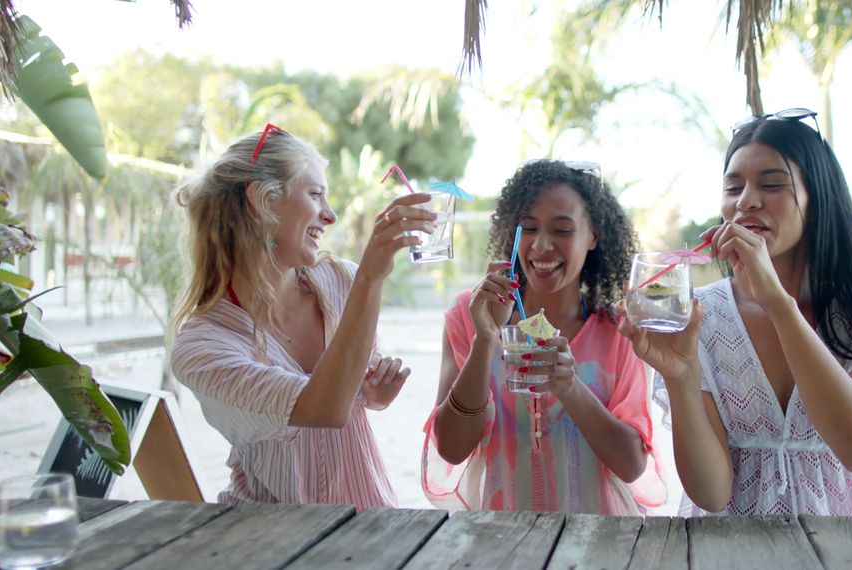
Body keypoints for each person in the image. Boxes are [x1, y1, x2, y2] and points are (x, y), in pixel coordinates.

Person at [618, 109, 852, 516]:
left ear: (817, 201)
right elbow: (712, 494)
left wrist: (777, 303)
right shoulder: (702, 315)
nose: (746, 201)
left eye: (772, 184)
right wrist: (680, 376)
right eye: (733, 188)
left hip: (843, 549)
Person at [168, 124, 435, 508]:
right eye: (315, 195)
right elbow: (322, 409)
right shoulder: (202, 346)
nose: (331, 215)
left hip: (368, 517)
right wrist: (371, 277)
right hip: (271, 537)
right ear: (264, 201)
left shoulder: (341, 280)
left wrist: (372, 394)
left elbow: (348, 392)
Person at [422, 159, 665, 515]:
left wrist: (569, 386)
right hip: (500, 539)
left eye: (562, 230)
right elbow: (451, 448)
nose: (541, 246)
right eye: (529, 228)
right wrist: (485, 340)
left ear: (593, 235)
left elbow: (632, 465)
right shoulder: (468, 315)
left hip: (599, 540)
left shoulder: (619, 329)